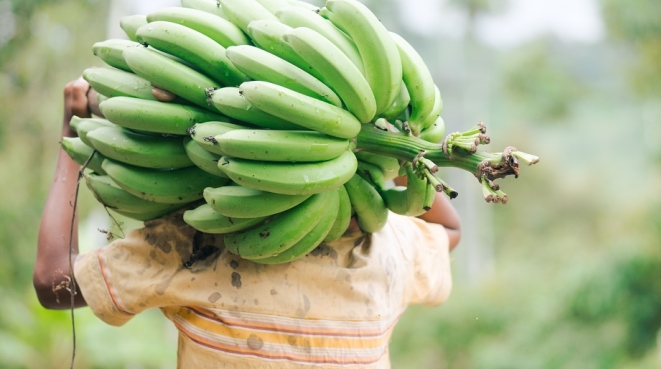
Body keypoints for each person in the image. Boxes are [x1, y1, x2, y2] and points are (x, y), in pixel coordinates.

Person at [33, 78, 461, 368]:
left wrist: (73, 136)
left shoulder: (195, 248)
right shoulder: (384, 252)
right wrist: (402, 146)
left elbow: (55, 285)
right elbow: (450, 233)